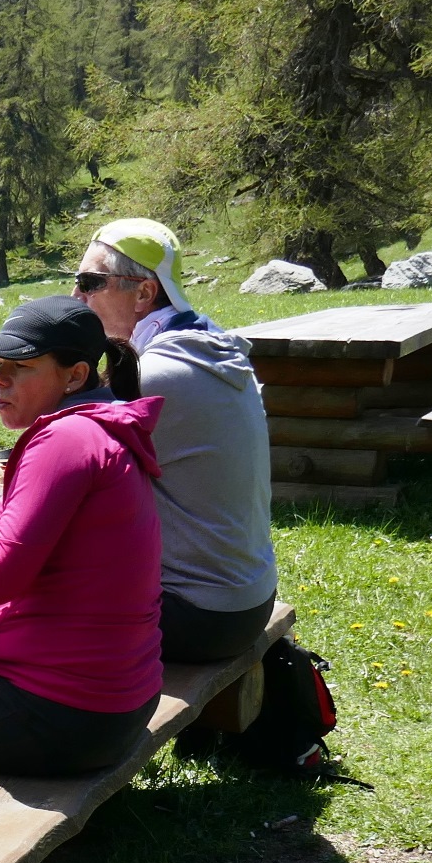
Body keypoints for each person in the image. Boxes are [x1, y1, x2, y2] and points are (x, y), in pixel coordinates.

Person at [0, 296, 164, 778]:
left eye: (20, 366)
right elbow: (2, 522)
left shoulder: (68, 441)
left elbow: (2, 572)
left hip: (67, 714)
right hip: (108, 699)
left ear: (74, 375)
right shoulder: (93, 425)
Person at [71, 218, 277, 661]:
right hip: (247, 598)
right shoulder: (208, 346)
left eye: (90, 282)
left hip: (197, 613)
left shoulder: (157, 375)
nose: (77, 296)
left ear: (143, 293)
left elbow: (68, 465)